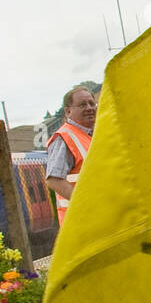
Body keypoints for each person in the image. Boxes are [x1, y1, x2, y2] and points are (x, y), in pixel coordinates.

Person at [44, 86, 97, 224]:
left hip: (96, 219)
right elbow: (54, 180)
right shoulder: (64, 137)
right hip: (81, 221)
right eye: (82, 105)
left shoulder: (92, 136)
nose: (89, 108)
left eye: (92, 103)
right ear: (68, 111)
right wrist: (87, 206)